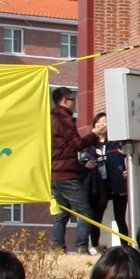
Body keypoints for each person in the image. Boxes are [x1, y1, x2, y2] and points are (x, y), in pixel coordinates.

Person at [48, 87, 97, 250]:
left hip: (54, 174)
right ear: (64, 101)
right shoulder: (64, 120)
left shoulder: (50, 119)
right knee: (85, 211)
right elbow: (78, 144)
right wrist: (94, 134)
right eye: (72, 99)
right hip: (67, 174)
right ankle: (82, 247)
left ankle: (58, 248)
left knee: (62, 214)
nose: (74, 103)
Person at [87, 114, 131, 247]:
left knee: (120, 218)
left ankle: (125, 247)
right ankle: (95, 247)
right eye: (99, 122)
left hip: (118, 185)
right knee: (96, 218)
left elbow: (135, 159)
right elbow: (83, 163)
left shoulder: (117, 143)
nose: (102, 124)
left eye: (105, 122)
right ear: (94, 125)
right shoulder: (90, 145)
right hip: (99, 187)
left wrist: (128, 171)